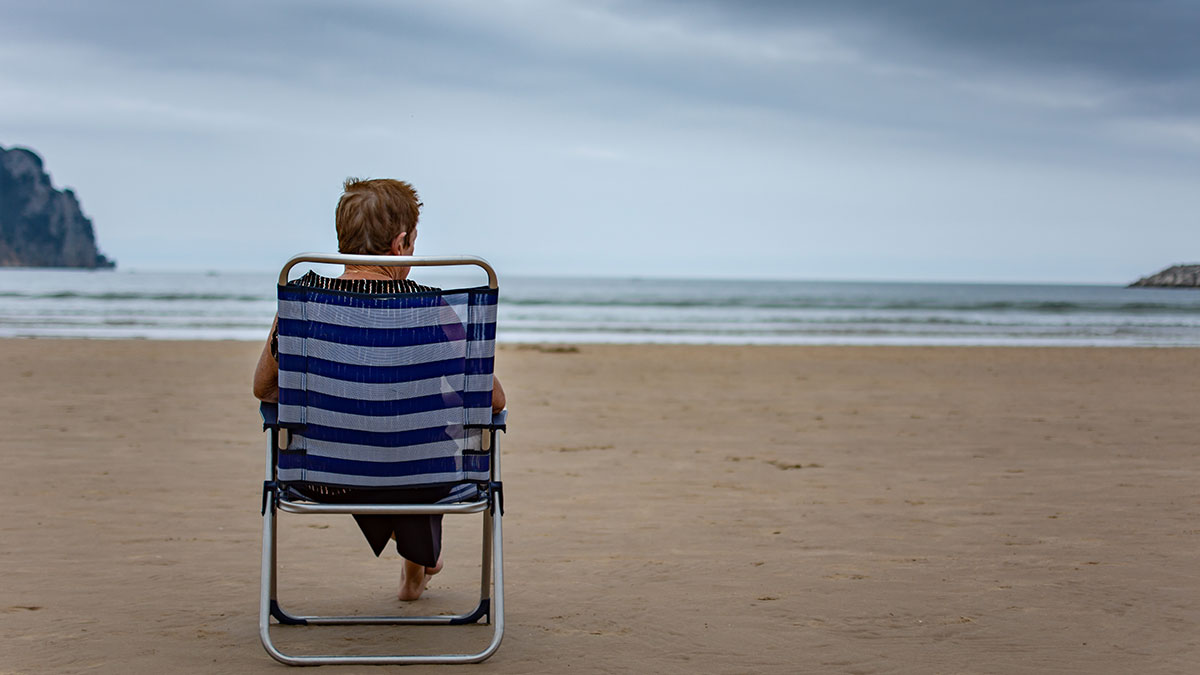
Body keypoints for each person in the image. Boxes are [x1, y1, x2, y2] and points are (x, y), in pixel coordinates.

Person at [253, 177, 505, 601]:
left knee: (366, 431)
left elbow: (264, 388)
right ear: (401, 242)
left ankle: (416, 556)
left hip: (325, 477)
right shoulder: (432, 307)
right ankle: (419, 556)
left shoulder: (304, 305)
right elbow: (491, 400)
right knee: (423, 425)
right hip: (424, 477)